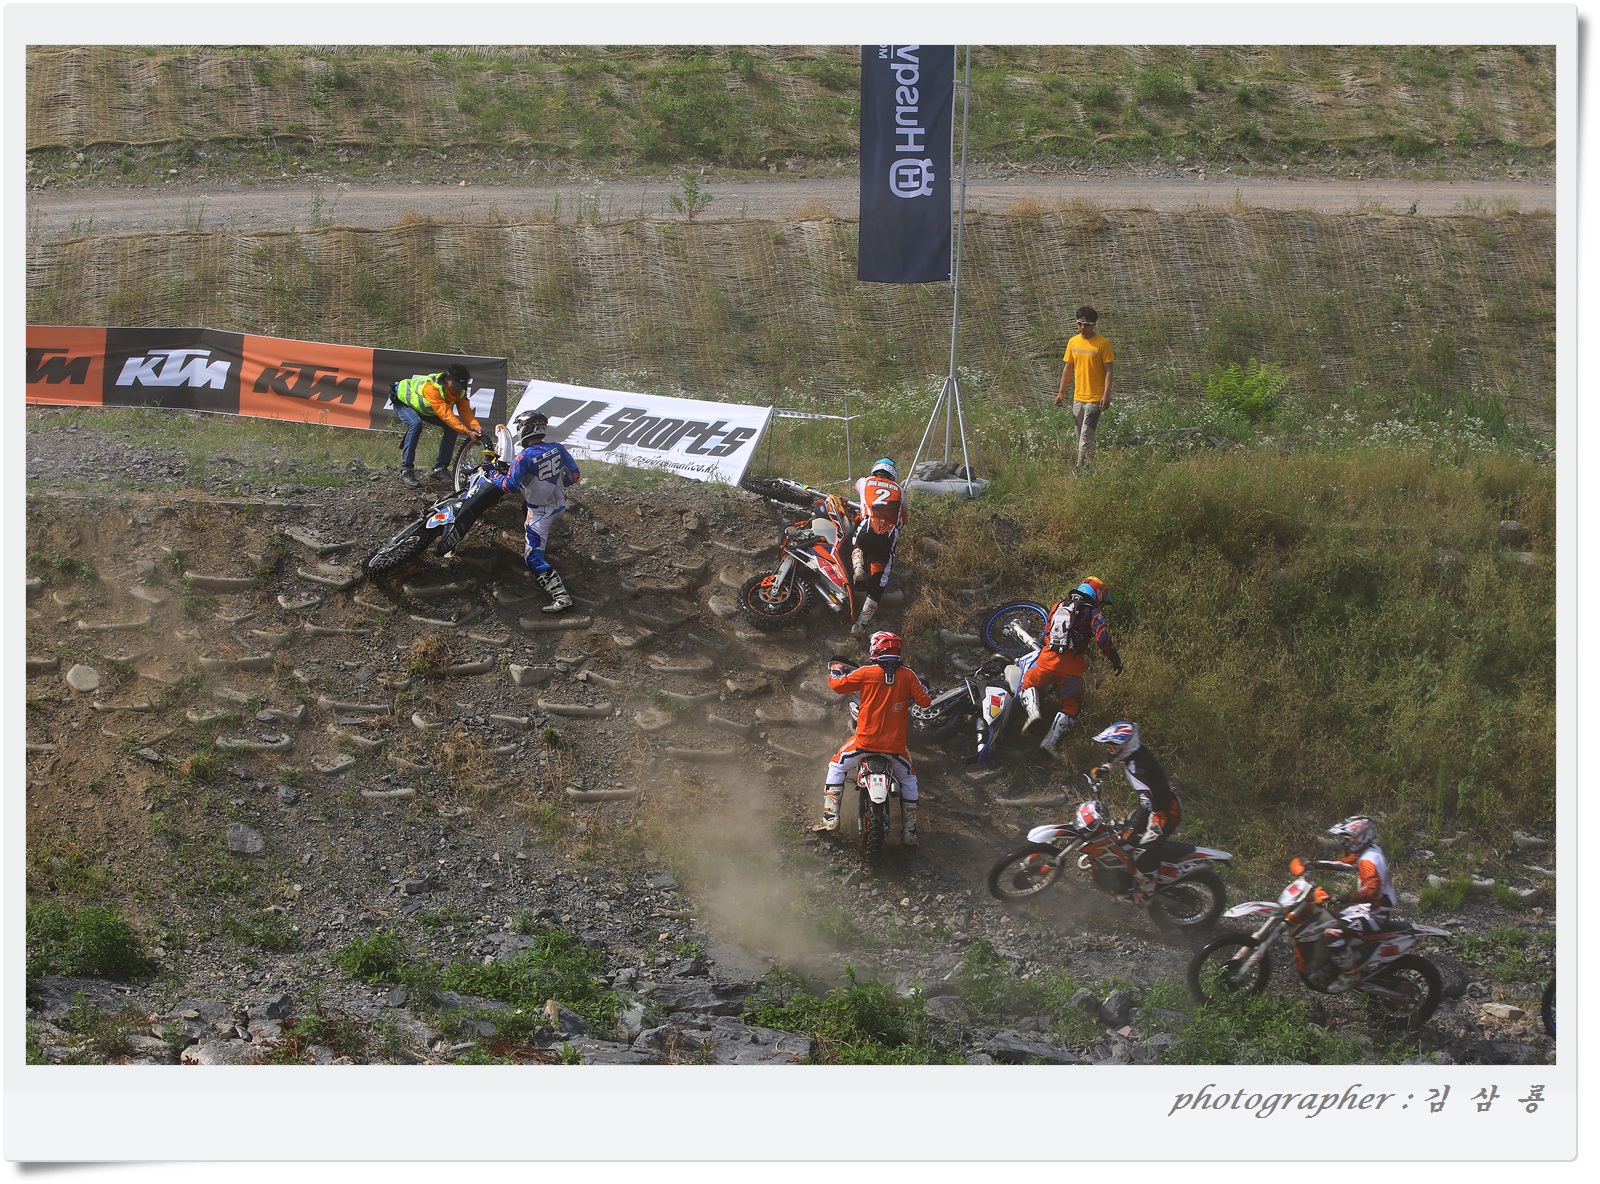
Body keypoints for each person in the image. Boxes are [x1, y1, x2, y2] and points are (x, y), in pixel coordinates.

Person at [815, 631, 933, 846]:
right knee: (909, 780)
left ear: (875, 649)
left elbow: (837, 685)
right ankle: (910, 832)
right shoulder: (909, 675)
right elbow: (925, 701)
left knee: (836, 766)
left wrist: (836, 669)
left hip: (864, 742)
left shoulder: (866, 672)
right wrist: (921, 688)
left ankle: (830, 818)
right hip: (895, 748)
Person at [480, 410, 582, 613]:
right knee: (526, 500)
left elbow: (508, 486)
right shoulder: (558, 448)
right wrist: (559, 484)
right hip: (560, 504)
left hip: (540, 514)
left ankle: (561, 597)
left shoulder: (523, 457)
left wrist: (491, 473)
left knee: (532, 558)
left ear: (525, 429)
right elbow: (575, 475)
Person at [1017, 575, 1122, 758]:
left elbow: (1048, 633)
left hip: (1046, 663)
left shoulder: (1057, 606)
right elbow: (1103, 639)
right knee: (1072, 706)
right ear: (1097, 595)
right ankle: (1049, 743)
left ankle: (1033, 712)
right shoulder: (1093, 613)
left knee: (1026, 684)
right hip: (1071, 672)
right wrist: (1115, 660)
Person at [1090, 720, 1180, 903]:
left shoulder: (1138, 768)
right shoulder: (1135, 754)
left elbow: (1147, 804)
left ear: (1125, 746)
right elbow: (1122, 760)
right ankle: (1127, 877)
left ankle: (1145, 893)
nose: (1111, 750)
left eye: (1113, 747)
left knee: (1143, 851)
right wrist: (1105, 769)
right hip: (1158, 805)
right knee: (1121, 832)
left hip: (1166, 812)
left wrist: (1133, 827)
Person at [1312, 815, 1397, 993]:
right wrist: (1315, 864)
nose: (1345, 842)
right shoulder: (1368, 851)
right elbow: (1346, 863)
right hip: (1364, 909)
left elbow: (1372, 892)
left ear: (1362, 837)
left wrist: (1344, 898)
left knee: (1332, 933)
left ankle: (1350, 974)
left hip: (1374, 915)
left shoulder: (1370, 860)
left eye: (1349, 838)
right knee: (1326, 920)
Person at [391, 363, 483, 488]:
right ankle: (406, 470)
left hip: (425, 409)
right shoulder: (432, 388)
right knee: (415, 424)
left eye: (461, 386)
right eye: (455, 385)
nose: (457, 390)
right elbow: (445, 414)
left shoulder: (460, 392)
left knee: (451, 428)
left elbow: (465, 411)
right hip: (402, 401)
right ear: (447, 380)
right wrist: (467, 432)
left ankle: (440, 469)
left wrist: (475, 426)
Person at [849, 457, 908, 637]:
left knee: (857, 544)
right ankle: (860, 626)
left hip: (868, 526)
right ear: (894, 473)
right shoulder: (900, 490)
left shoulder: (865, 481)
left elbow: (856, 487)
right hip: (888, 536)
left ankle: (858, 568)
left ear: (875, 469)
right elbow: (903, 519)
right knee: (879, 584)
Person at [1053, 306, 1114, 477]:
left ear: (1094, 324)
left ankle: (1079, 467)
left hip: (1095, 398)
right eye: (1079, 323)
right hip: (1078, 397)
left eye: (1086, 324)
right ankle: (1091, 464)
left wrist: (1106, 394)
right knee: (1080, 434)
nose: (1082, 327)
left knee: (1087, 433)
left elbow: (1109, 370)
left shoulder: (1102, 344)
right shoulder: (1073, 342)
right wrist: (1061, 392)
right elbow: (1068, 368)